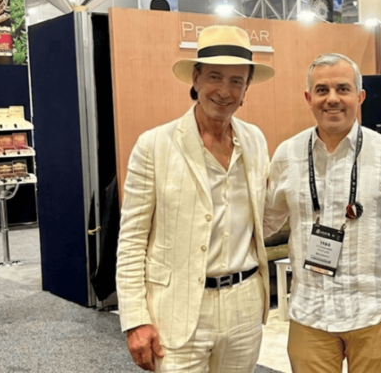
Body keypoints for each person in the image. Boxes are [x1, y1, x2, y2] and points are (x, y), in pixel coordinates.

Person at [116, 26, 274, 372]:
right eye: (215, 77)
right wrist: (135, 318)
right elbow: (132, 240)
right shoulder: (154, 145)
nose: (224, 91)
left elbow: (263, 217)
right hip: (178, 308)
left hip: (244, 305)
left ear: (247, 88)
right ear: (196, 78)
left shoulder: (255, 141)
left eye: (236, 81)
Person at [263, 53, 381, 373]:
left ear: (360, 96)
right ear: (308, 98)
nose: (332, 99)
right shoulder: (287, 155)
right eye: (322, 90)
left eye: (343, 89)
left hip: (374, 315)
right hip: (310, 315)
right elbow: (266, 221)